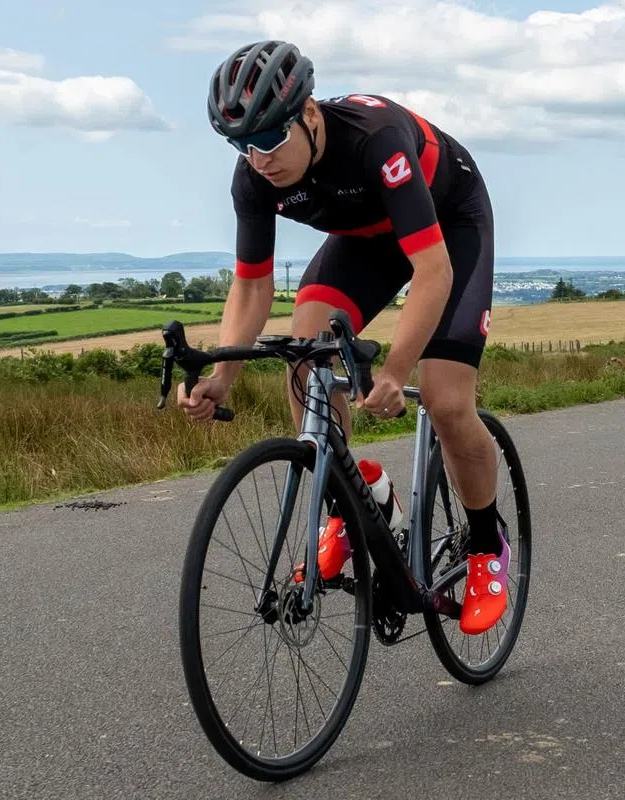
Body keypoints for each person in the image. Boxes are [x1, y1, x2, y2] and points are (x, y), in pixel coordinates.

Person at [175, 40, 510, 635]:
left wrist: (395, 369)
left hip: (448, 225)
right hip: (367, 239)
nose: (259, 159)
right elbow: (251, 287)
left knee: (446, 399)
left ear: (307, 114)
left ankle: (488, 547)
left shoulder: (374, 139)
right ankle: (354, 502)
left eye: (270, 140)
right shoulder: (254, 176)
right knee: (307, 355)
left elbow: (433, 272)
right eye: (241, 145)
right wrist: (222, 378)